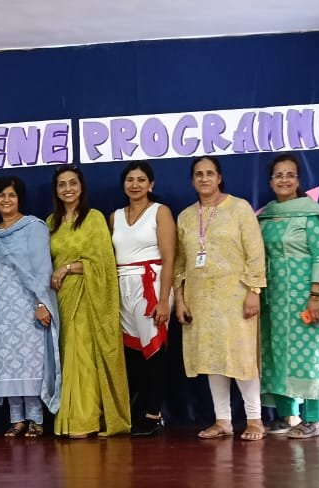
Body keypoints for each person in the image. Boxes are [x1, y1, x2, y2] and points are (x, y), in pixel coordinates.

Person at [174, 155, 267, 441]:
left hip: (236, 296)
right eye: (199, 174)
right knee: (212, 358)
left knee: (241, 357)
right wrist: (180, 299)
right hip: (200, 298)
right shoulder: (186, 216)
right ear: (192, 180)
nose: (204, 178)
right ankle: (223, 420)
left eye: (209, 173)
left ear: (219, 178)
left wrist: (253, 291)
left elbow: (255, 253)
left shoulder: (239, 208)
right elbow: (180, 263)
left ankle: (254, 420)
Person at [258, 155, 319, 440]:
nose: (284, 180)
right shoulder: (266, 215)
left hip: (306, 297)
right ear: (271, 181)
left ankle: (314, 419)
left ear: (298, 180)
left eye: (290, 174)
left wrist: (316, 295)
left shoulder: (310, 214)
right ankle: (287, 415)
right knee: (276, 353)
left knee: (310, 356)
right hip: (273, 298)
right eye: (278, 175)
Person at [47, 165, 130, 437]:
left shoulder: (93, 218)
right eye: (62, 184)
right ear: (56, 190)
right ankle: (70, 417)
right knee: (66, 355)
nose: (68, 189)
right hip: (61, 299)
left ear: (81, 187)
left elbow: (104, 263)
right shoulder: (51, 222)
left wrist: (67, 268)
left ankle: (85, 420)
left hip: (88, 295)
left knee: (82, 355)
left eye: (73, 183)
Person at [0, 176, 61, 437]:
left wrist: (42, 303)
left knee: (30, 361)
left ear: (19, 199)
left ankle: (36, 419)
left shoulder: (33, 227)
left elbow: (41, 267)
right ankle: (17, 420)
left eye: (12, 195)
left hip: (28, 306)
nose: (6, 200)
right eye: (1, 195)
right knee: (7, 362)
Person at [111, 161, 175, 437]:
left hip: (151, 284)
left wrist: (164, 299)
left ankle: (154, 415)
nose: (135, 184)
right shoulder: (115, 216)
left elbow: (170, 257)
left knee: (154, 350)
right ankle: (134, 412)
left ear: (151, 184)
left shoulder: (160, 212)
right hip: (122, 285)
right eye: (130, 179)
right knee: (133, 353)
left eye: (140, 179)